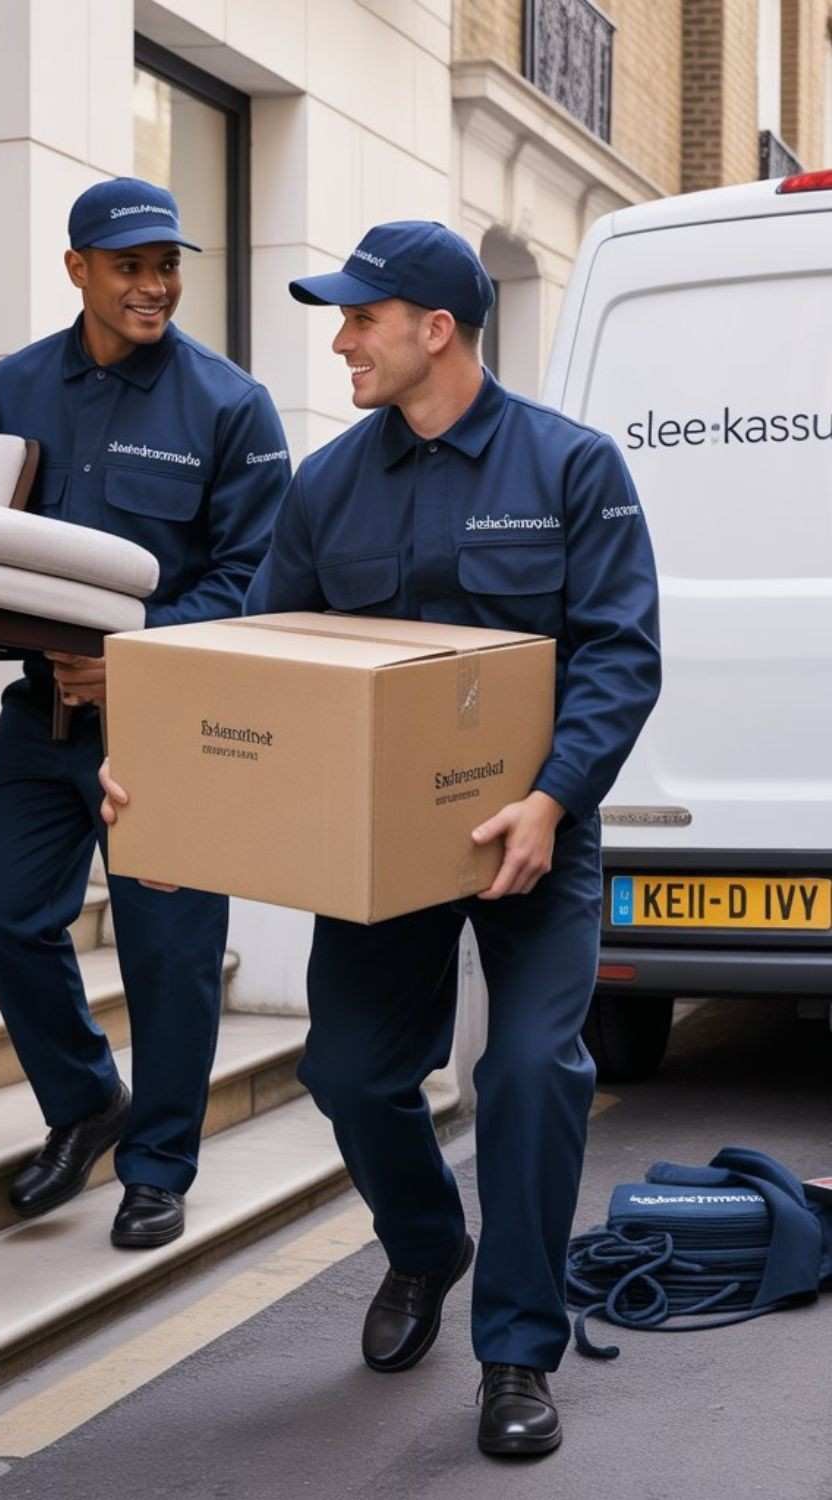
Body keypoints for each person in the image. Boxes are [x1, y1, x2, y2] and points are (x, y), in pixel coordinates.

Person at [101, 219, 660, 1453]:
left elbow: (621, 655)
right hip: (379, 859)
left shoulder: (572, 468)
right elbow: (258, 675)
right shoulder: (329, 482)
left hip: (533, 837)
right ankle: (426, 1243)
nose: (343, 340)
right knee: (349, 1072)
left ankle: (516, 1355)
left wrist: (553, 798)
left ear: (436, 329)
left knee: (527, 1075)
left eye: (361, 318)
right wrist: (174, 798)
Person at [0, 176, 290, 1250]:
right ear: (78, 271)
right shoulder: (12, 390)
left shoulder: (229, 406)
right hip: (41, 715)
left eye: (166, 265)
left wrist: (139, 653)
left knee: (169, 954)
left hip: (176, 729)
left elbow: (259, 580)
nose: (155, 286)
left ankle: (158, 1165)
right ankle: (84, 1101)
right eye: (130, 267)